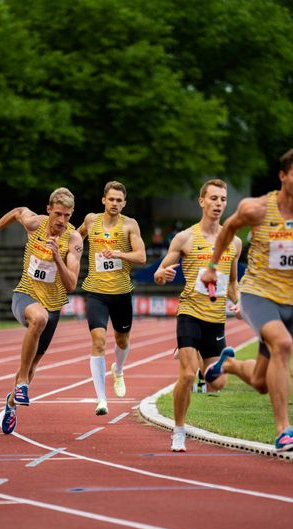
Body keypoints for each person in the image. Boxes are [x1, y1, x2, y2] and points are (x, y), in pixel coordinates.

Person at [201, 149, 293, 453]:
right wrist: (212, 268)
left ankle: (228, 364)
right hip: (259, 293)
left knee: (259, 382)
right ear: (282, 176)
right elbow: (228, 229)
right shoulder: (256, 208)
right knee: (283, 344)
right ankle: (284, 430)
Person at [0, 187, 83, 434]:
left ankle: (11, 403)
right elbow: (16, 212)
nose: (61, 221)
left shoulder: (73, 240)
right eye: (58, 214)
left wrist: (57, 256)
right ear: (48, 210)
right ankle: (22, 382)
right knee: (38, 317)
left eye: (67, 215)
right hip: (25, 294)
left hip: (54, 303)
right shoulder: (34, 223)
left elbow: (72, 284)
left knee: (34, 361)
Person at [154, 179, 241, 452]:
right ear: (202, 201)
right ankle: (179, 431)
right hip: (190, 313)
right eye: (213, 198)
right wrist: (162, 275)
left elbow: (233, 284)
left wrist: (240, 304)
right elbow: (160, 272)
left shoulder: (235, 242)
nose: (218, 204)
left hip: (216, 319)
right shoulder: (185, 238)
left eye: (223, 199)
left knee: (218, 383)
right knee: (188, 376)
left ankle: (191, 354)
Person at [77, 181, 146, 416]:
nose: (115, 203)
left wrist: (118, 253)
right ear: (103, 200)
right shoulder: (90, 220)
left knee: (122, 341)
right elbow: (76, 238)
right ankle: (101, 399)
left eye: (119, 200)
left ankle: (118, 370)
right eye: (111, 199)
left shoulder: (129, 225)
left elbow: (141, 256)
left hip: (121, 293)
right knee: (98, 341)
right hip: (96, 291)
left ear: (124, 203)